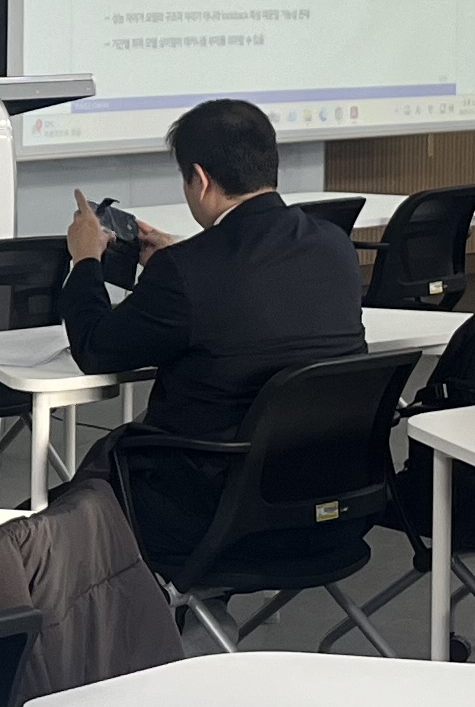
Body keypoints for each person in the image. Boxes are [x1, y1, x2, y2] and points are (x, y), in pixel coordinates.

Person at [59, 96, 368, 562]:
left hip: (207, 517)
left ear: (200, 179)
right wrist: (184, 259)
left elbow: (96, 349)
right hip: (328, 511)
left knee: (48, 524)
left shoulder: (187, 271)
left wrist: (85, 260)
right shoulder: (334, 245)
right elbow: (256, 294)